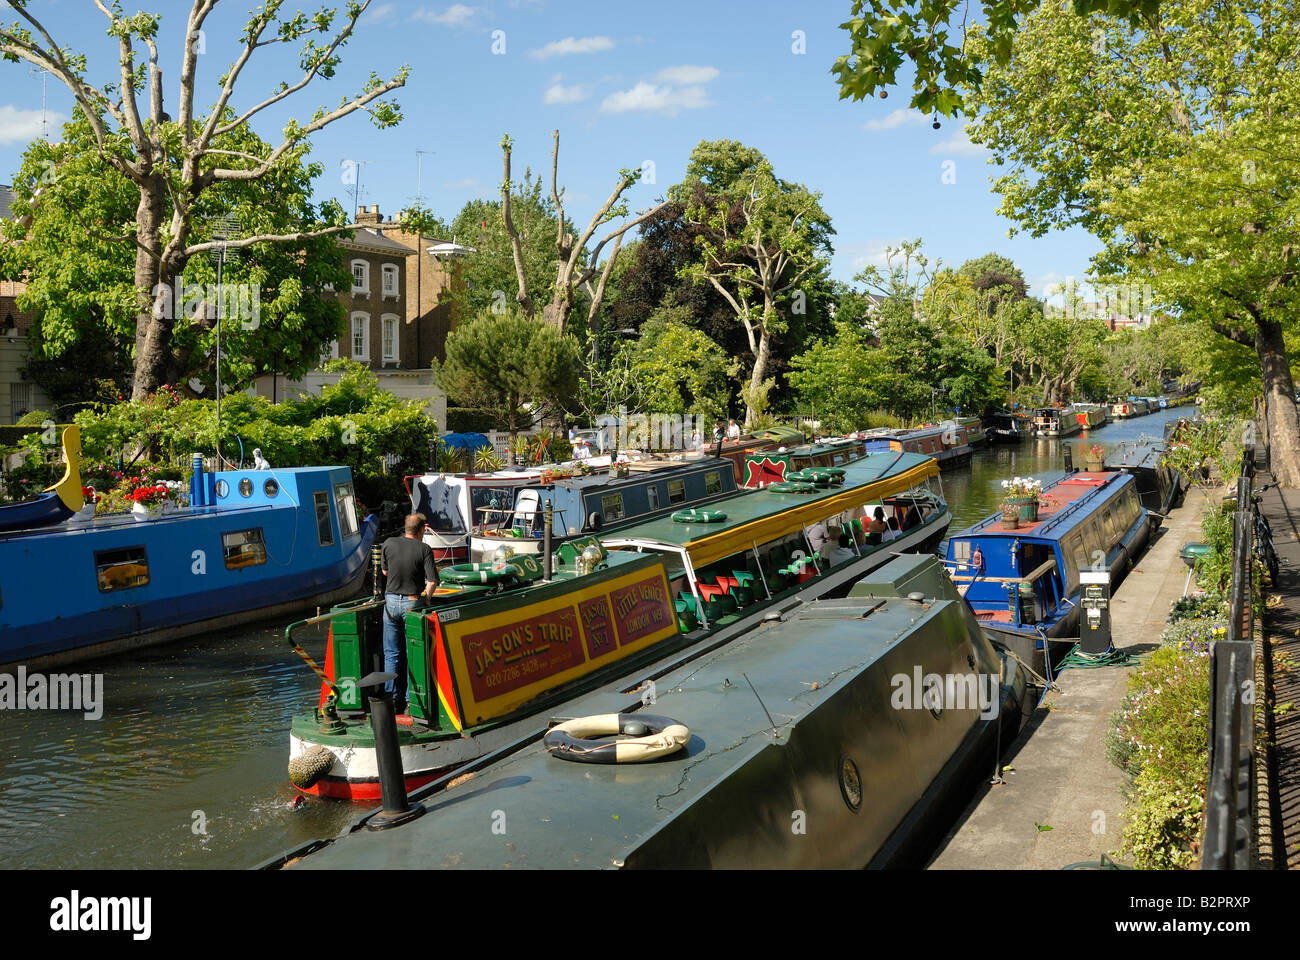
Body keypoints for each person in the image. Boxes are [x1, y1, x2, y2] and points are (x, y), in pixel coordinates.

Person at [381, 514, 440, 714]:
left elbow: (385, 572)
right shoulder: (424, 549)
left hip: (390, 603)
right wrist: (428, 599)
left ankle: (391, 700)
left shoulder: (388, 543)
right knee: (412, 652)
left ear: (405, 528)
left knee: (392, 653)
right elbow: (432, 582)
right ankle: (409, 702)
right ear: (422, 530)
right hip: (412, 602)